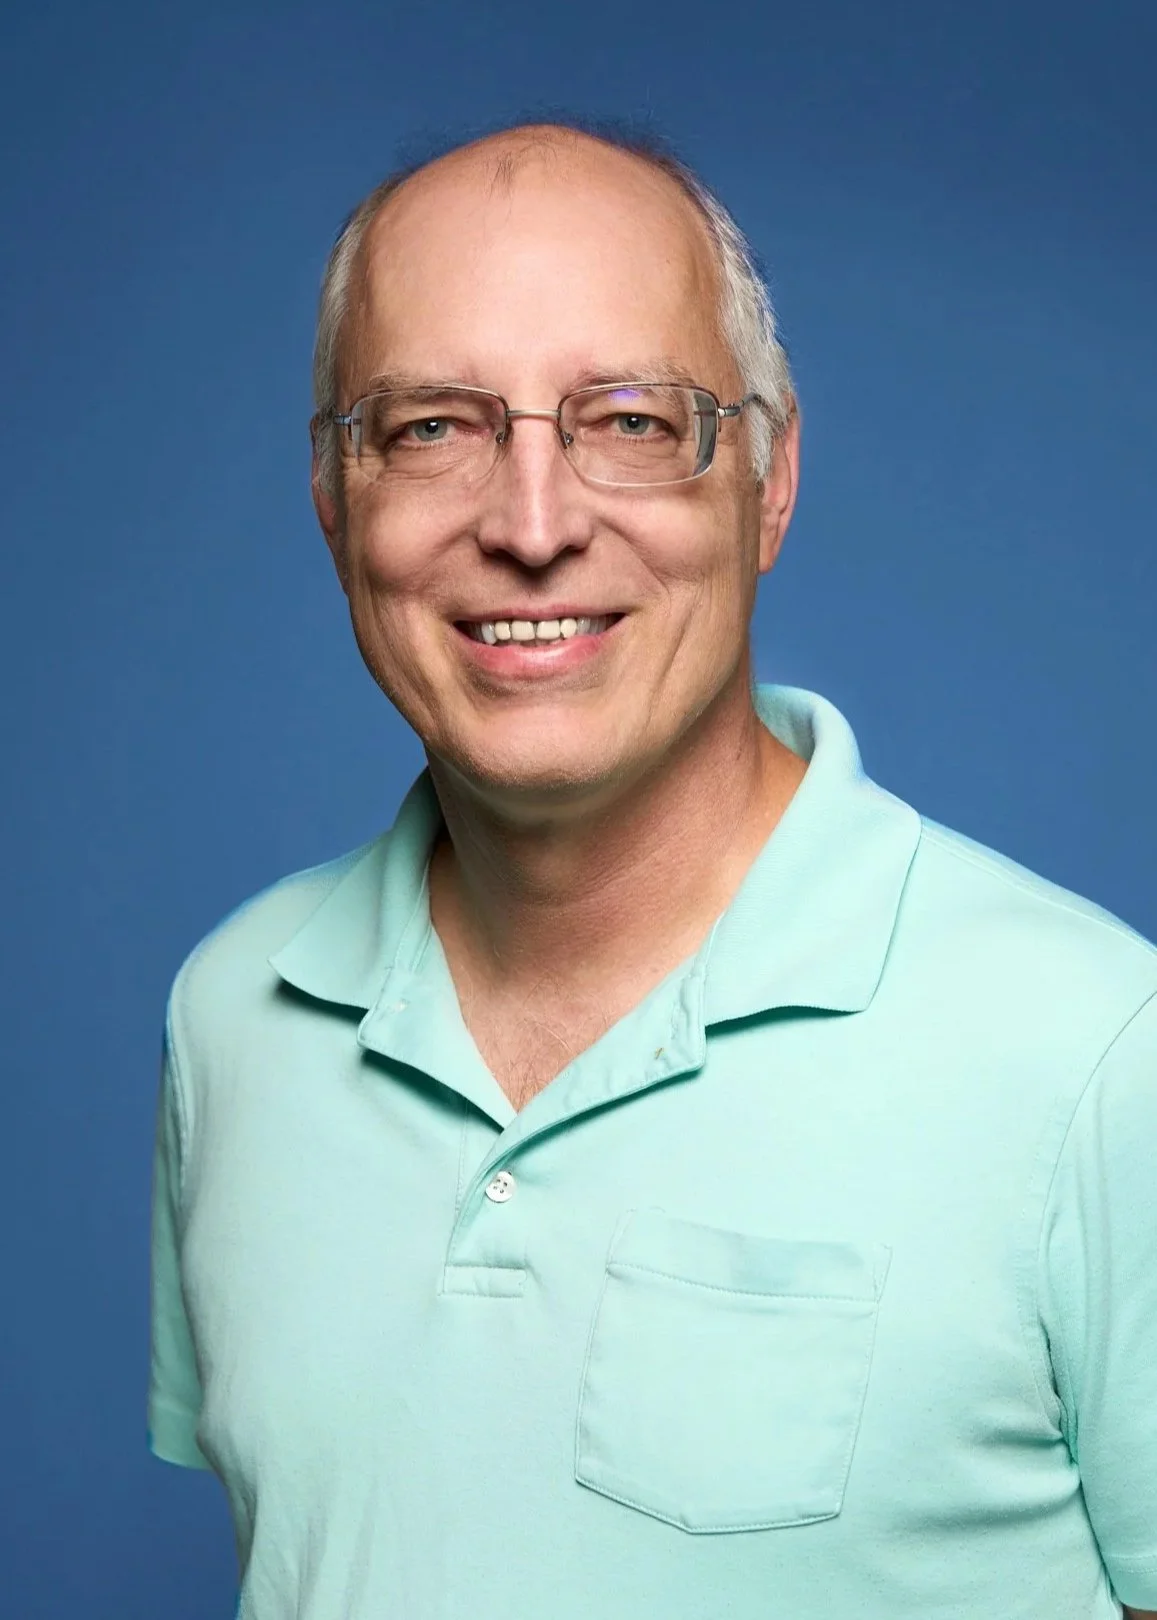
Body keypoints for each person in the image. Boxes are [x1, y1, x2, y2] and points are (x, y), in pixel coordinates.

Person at [148, 122, 1157, 1620]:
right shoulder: (234, 1017)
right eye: (431, 428)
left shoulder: (1101, 1055)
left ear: (770, 479)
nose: (532, 526)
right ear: (333, 493)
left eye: (629, 419)